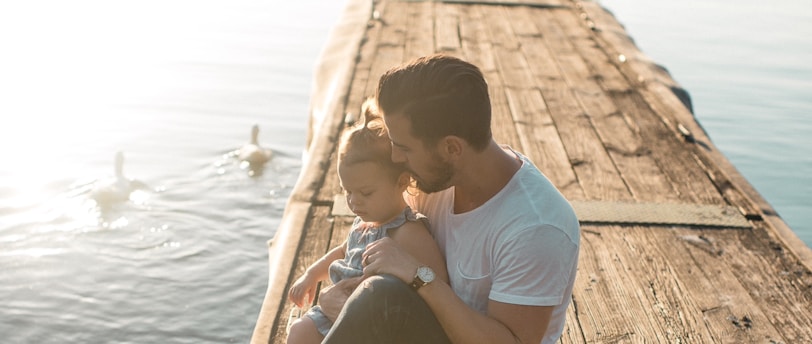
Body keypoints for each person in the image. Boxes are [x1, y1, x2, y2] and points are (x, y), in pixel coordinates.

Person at [319, 54, 581, 344]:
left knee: (380, 296)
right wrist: (342, 301)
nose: (395, 158)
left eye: (403, 147)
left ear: (451, 148)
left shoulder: (536, 227)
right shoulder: (434, 180)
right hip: (425, 329)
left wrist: (420, 276)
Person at [285, 98, 449, 344]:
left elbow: (438, 284)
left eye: (366, 193)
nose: (354, 202)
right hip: (338, 307)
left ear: (403, 182)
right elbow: (342, 251)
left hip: (374, 318)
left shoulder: (407, 231)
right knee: (299, 332)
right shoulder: (364, 223)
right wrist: (311, 275)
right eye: (347, 191)